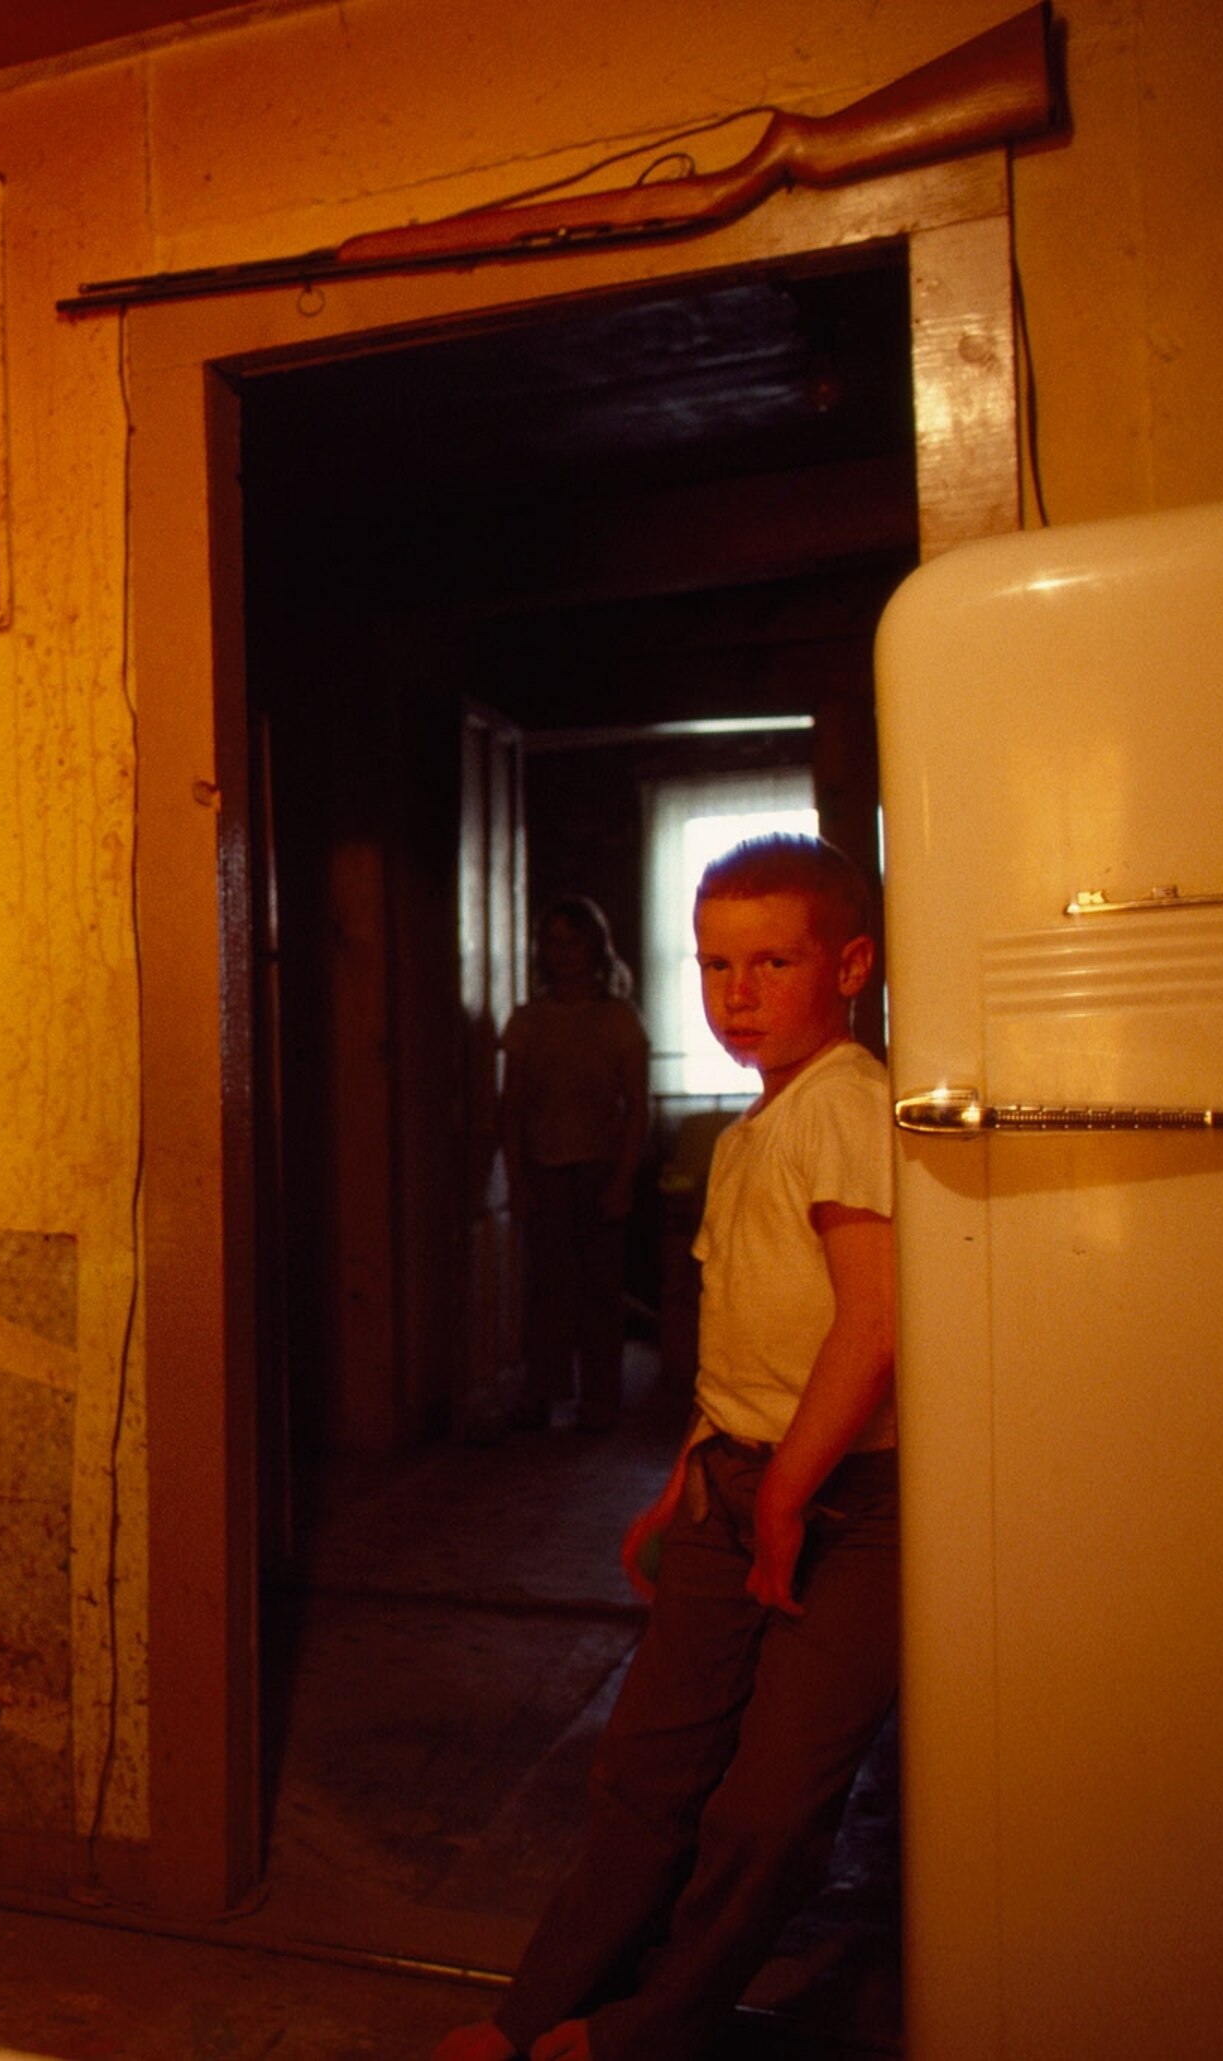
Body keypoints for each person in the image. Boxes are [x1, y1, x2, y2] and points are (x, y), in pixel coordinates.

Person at [439, 834, 897, 2061]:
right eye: (715, 965)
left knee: (766, 1805)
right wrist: (687, 1470)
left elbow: (876, 1319)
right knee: (646, 1771)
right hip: (733, 1481)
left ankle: (656, 2027)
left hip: (852, 1503)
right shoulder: (758, 1125)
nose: (737, 994)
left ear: (850, 963)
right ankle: (540, 2008)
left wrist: (789, 1490)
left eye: (772, 962)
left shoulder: (849, 1102)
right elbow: (750, 1341)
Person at [499, 897, 648, 1431]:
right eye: (554, 943)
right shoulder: (528, 1021)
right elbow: (511, 1108)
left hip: (600, 1167)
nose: (564, 954)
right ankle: (543, 1392)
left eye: (575, 942)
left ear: (595, 948)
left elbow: (636, 1105)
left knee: (600, 1292)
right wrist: (517, 1177)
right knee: (547, 1291)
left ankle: (600, 1400)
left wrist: (624, 1179)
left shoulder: (618, 1019)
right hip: (545, 1165)